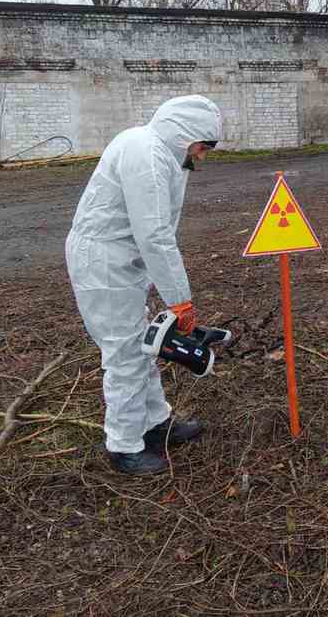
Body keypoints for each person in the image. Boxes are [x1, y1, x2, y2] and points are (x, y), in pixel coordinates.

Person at [65, 94, 222, 476]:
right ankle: (124, 444)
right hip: (104, 265)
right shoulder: (146, 153)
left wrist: (170, 296)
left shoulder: (160, 153)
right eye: (202, 146)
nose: (201, 155)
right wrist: (180, 302)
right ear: (185, 135)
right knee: (126, 356)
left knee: (143, 345)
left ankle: (154, 422)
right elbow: (154, 235)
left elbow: (155, 231)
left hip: (121, 262)